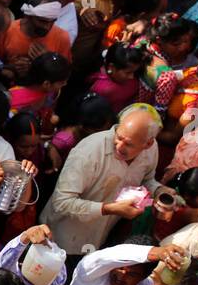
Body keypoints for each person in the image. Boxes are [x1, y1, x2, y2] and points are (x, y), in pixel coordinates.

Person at [40, 104, 162, 255]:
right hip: (58, 240)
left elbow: (147, 180)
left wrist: (160, 191)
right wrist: (108, 209)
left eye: (129, 144)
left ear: (148, 143)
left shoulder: (151, 150)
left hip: (96, 240)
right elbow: (62, 202)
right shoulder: (89, 152)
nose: (119, 146)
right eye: (119, 137)